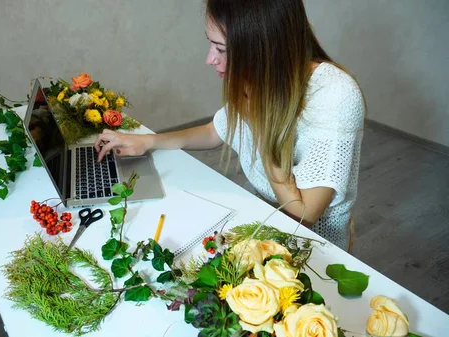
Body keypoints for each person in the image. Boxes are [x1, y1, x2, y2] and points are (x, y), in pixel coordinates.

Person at [94, 0, 366, 251]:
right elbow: (216, 131)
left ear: (263, 47)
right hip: (260, 217)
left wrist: (259, 123)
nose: (210, 59)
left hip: (313, 248)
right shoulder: (259, 75)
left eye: (221, 49)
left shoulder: (335, 94)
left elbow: (303, 214)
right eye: (211, 45)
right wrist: (149, 141)